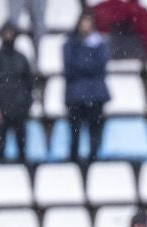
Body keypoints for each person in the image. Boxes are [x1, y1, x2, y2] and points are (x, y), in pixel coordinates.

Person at [62, 12, 110, 166]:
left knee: (94, 130)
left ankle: (94, 160)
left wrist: (82, 65)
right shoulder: (70, 44)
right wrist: (89, 65)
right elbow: (70, 68)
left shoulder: (99, 44)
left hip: (94, 94)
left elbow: (101, 67)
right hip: (76, 95)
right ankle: (74, 161)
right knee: (74, 131)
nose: (85, 26)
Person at [0, 25, 35, 163]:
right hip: (1, 109)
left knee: (22, 149)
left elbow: (29, 84)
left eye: (10, 33)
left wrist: (27, 104)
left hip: (19, 108)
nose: (8, 36)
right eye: (6, 33)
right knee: (0, 150)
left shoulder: (21, 58)